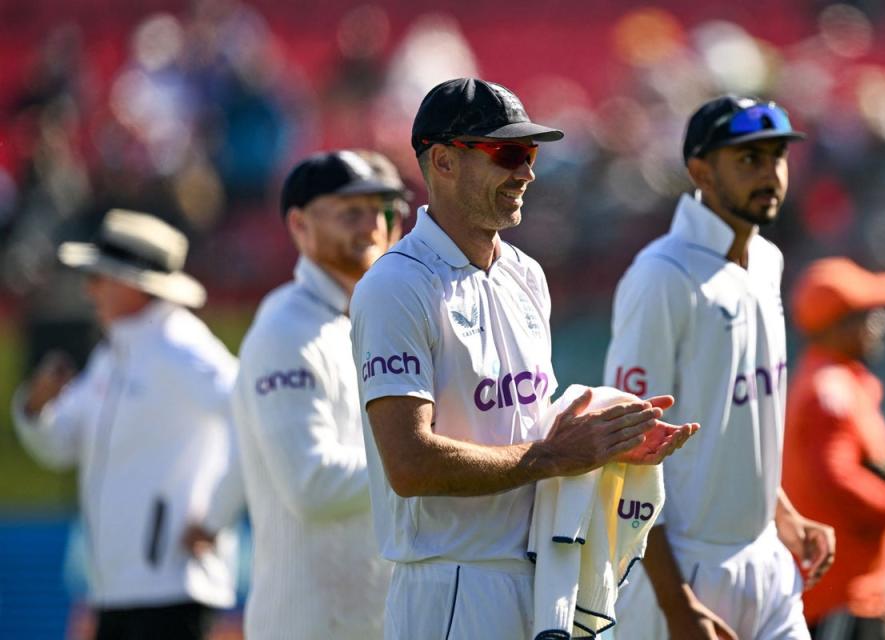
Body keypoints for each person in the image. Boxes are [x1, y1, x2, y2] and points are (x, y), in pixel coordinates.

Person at [349, 77, 697, 640]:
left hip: (541, 578)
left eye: (530, 153)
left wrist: (609, 443)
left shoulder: (526, 274)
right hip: (450, 586)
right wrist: (551, 457)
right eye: (508, 153)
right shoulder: (394, 286)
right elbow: (409, 464)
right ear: (442, 161)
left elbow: (531, 425)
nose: (527, 173)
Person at [605, 95, 836, 640]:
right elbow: (624, 453)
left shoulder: (767, 260)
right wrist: (677, 604)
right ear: (700, 171)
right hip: (681, 573)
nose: (771, 174)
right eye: (748, 160)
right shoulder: (661, 276)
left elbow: (738, 423)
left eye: (776, 157)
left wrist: (782, 515)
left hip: (767, 561)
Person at [12, 209, 238, 640]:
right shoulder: (110, 355)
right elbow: (60, 445)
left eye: (98, 276)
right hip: (115, 591)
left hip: (173, 593)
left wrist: (214, 516)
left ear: (133, 284)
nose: (88, 288)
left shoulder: (182, 346)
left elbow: (252, 417)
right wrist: (34, 408)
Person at [229, 150, 409, 639]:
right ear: (299, 226)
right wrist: (426, 459)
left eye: (385, 211)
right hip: (311, 623)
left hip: (377, 619)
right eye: (352, 212)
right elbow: (311, 485)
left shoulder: (380, 320)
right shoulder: (286, 331)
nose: (374, 225)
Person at [782, 257, 885, 640]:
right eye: (869, 315)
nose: (881, 325)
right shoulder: (829, 391)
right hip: (841, 596)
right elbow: (836, 478)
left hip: (851, 593)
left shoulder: (832, 382)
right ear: (838, 326)